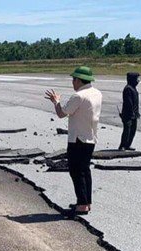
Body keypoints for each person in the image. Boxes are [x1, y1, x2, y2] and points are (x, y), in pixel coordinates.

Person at [45, 66, 102, 216]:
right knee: (85, 170)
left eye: (73, 79)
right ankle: (86, 202)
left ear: (78, 80)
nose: (72, 82)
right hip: (90, 137)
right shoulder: (97, 93)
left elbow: (61, 113)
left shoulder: (78, 96)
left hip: (78, 139)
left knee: (76, 171)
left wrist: (56, 101)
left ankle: (82, 205)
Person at [119, 72, 140, 151]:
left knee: (133, 130)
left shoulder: (133, 88)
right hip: (128, 114)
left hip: (134, 114)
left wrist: (137, 112)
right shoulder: (128, 88)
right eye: (137, 79)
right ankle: (122, 146)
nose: (138, 81)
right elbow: (129, 102)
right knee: (127, 131)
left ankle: (128, 145)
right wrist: (132, 112)